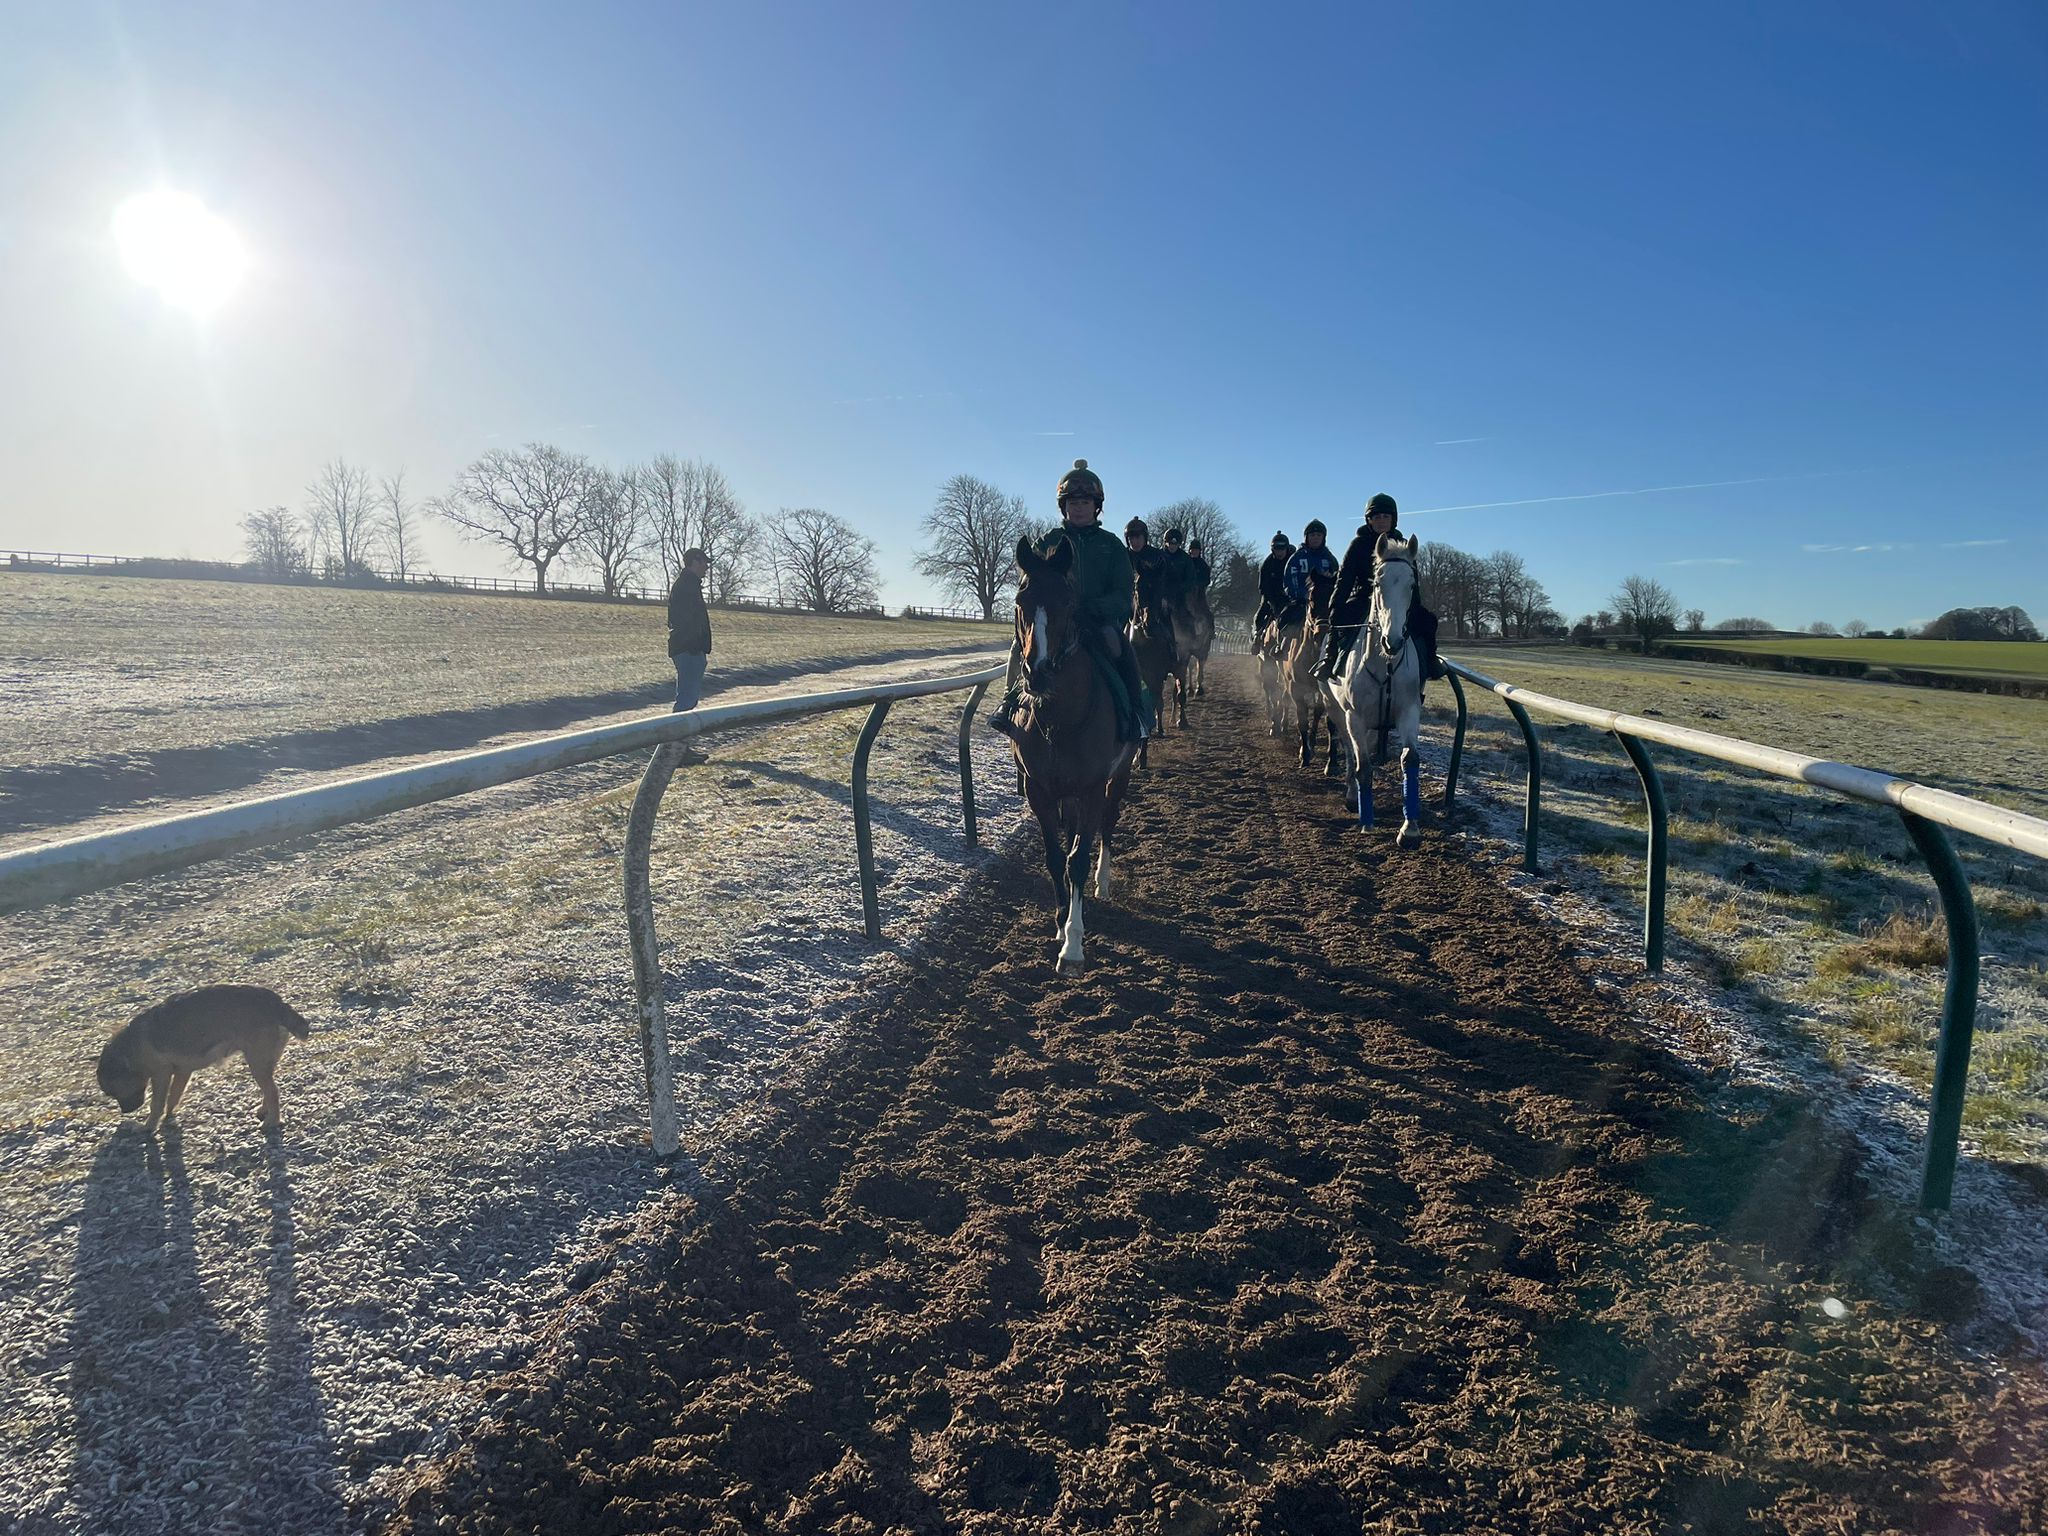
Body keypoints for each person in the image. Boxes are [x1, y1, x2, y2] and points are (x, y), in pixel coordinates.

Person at [991, 460, 1148, 740]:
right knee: (1021, 646)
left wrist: (1092, 609)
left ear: (1096, 506)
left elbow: (1124, 597)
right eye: (1073, 502)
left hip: (1097, 623)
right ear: (1063, 506)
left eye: (1085, 502)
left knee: (1120, 646)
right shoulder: (1047, 541)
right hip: (1055, 620)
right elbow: (1030, 586)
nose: (1078, 508)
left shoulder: (1111, 545)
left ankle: (1136, 714)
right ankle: (1008, 701)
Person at [1315, 493, 1439, 679]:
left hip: (1399, 600)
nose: (1381, 521)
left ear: (1393, 519)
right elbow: (1345, 580)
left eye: (1385, 516)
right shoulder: (1358, 545)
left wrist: (1415, 607)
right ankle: (1330, 658)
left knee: (1428, 621)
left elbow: (1413, 584)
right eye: (1376, 517)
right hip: (1363, 598)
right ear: (1369, 520)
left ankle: (1429, 663)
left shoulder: (1405, 546)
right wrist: (1336, 606)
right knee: (1339, 615)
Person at [665, 546, 714, 765]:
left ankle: (678, 749)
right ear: (695, 561)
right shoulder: (686, 586)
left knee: (688, 698)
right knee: (685, 699)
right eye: (704, 562)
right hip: (688, 650)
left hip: (689, 648)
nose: (707, 567)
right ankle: (675, 751)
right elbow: (684, 620)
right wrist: (694, 645)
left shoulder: (689, 585)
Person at [1280, 519, 1338, 627]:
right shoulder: (1297, 558)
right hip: (1300, 601)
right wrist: (1302, 595)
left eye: (1318, 535)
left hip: (1324, 602)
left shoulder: (1329, 559)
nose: (1315, 538)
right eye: (1312, 535)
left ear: (1323, 538)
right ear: (1307, 537)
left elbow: (1336, 579)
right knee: (1287, 625)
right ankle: (1283, 643)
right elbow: (1290, 581)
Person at [1253, 530, 1294, 641]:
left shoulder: (1294, 560)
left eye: (1282, 549)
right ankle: (1257, 635)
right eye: (1277, 549)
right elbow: (1263, 587)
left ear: (1287, 548)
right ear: (1272, 550)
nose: (1280, 552)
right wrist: (1272, 603)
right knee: (1261, 614)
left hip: (1292, 596)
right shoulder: (1267, 565)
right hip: (1272, 596)